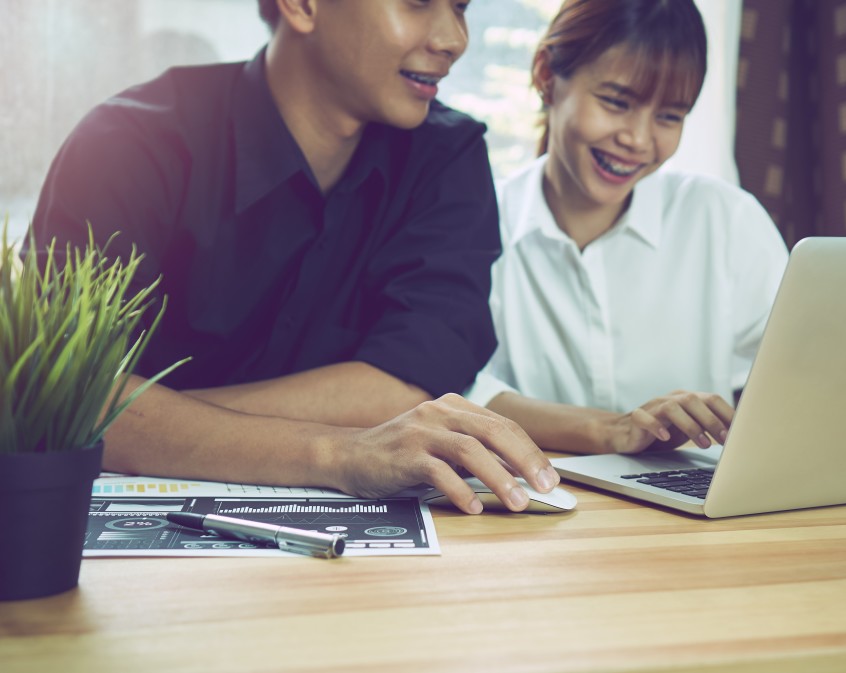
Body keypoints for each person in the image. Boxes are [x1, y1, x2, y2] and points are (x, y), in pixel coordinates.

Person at [28, 0, 559, 514]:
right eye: (418, 2)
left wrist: (150, 420)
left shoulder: (449, 155)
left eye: (462, 6)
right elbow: (61, 399)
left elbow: (404, 388)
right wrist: (338, 452)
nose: (453, 40)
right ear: (302, 5)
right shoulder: (128, 142)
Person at [465, 0, 789, 455]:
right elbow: (457, 391)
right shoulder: (474, 226)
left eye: (669, 117)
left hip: (700, 514)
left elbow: (798, 380)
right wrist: (609, 428)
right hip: (535, 505)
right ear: (546, 76)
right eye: (617, 102)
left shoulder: (726, 221)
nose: (638, 139)